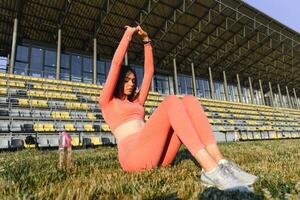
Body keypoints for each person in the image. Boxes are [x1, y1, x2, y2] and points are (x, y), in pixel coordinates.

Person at [99, 25, 258, 191]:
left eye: (133, 80)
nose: (131, 84)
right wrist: (128, 35)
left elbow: (149, 72)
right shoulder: (107, 102)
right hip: (133, 157)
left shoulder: (137, 103)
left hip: (157, 156)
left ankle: (221, 162)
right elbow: (116, 64)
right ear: (118, 81)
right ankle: (211, 170)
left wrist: (147, 42)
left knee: (189, 100)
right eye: (126, 80)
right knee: (171, 101)